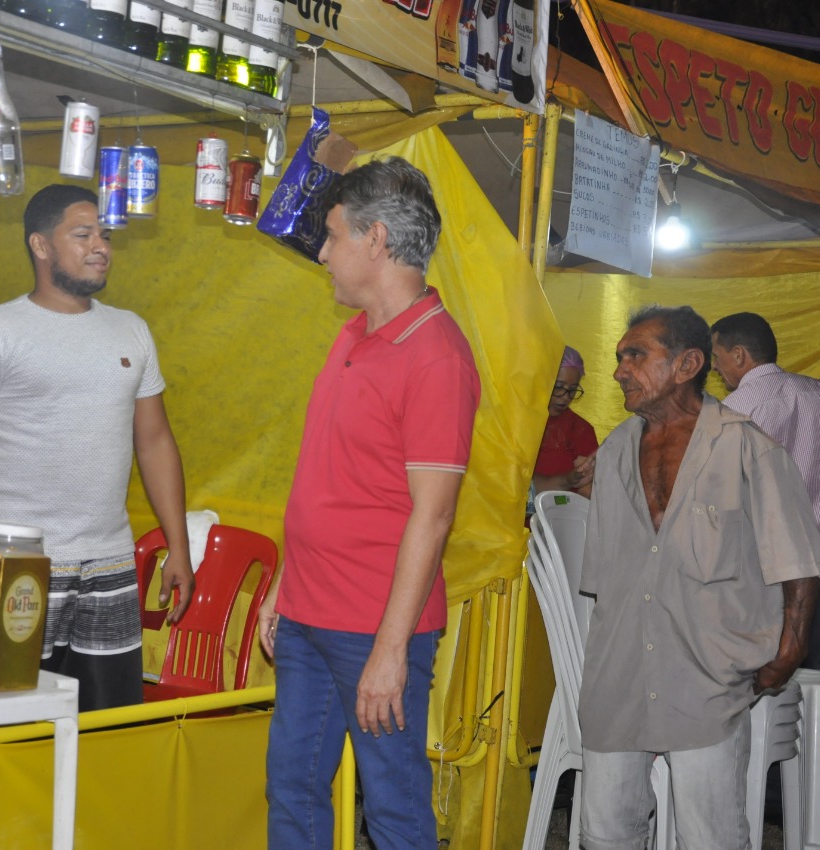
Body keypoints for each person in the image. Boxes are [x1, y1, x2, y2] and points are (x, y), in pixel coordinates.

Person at [257, 158, 480, 850]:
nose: (322, 254)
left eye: (331, 237)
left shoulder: (437, 355)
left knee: (393, 806)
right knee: (292, 788)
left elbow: (433, 516)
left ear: (375, 239)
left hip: (375, 627)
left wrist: (390, 652)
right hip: (306, 614)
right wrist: (283, 586)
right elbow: (326, 479)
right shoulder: (353, 333)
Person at [0, 184, 193, 712]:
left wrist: (179, 547)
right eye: (82, 234)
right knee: (7, 721)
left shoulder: (131, 331)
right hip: (17, 562)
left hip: (110, 565)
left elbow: (156, 441)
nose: (100, 245)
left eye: (104, 233)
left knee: (107, 722)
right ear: (41, 245)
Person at [579, 305, 820, 850]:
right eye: (620, 357)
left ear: (688, 363)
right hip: (618, 673)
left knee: (709, 833)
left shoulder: (747, 446)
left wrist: (790, 646)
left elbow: (798, 559)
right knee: (604, 829)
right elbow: (604, 582)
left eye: (636, 355)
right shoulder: (616, 450)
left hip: (707, 673)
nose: (620, 370)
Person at [711, 311, 820, 675]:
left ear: (739, 354)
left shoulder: (733, 411)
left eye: (716, 357)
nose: (715, 368)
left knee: (765, 681)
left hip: (765, 567)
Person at [532, 345, 598, 499]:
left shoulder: (581, 430)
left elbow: (587, 492)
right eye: (558, 387)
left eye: (573, 390)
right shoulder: (517, 421)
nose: (565, 397)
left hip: (558, 518)